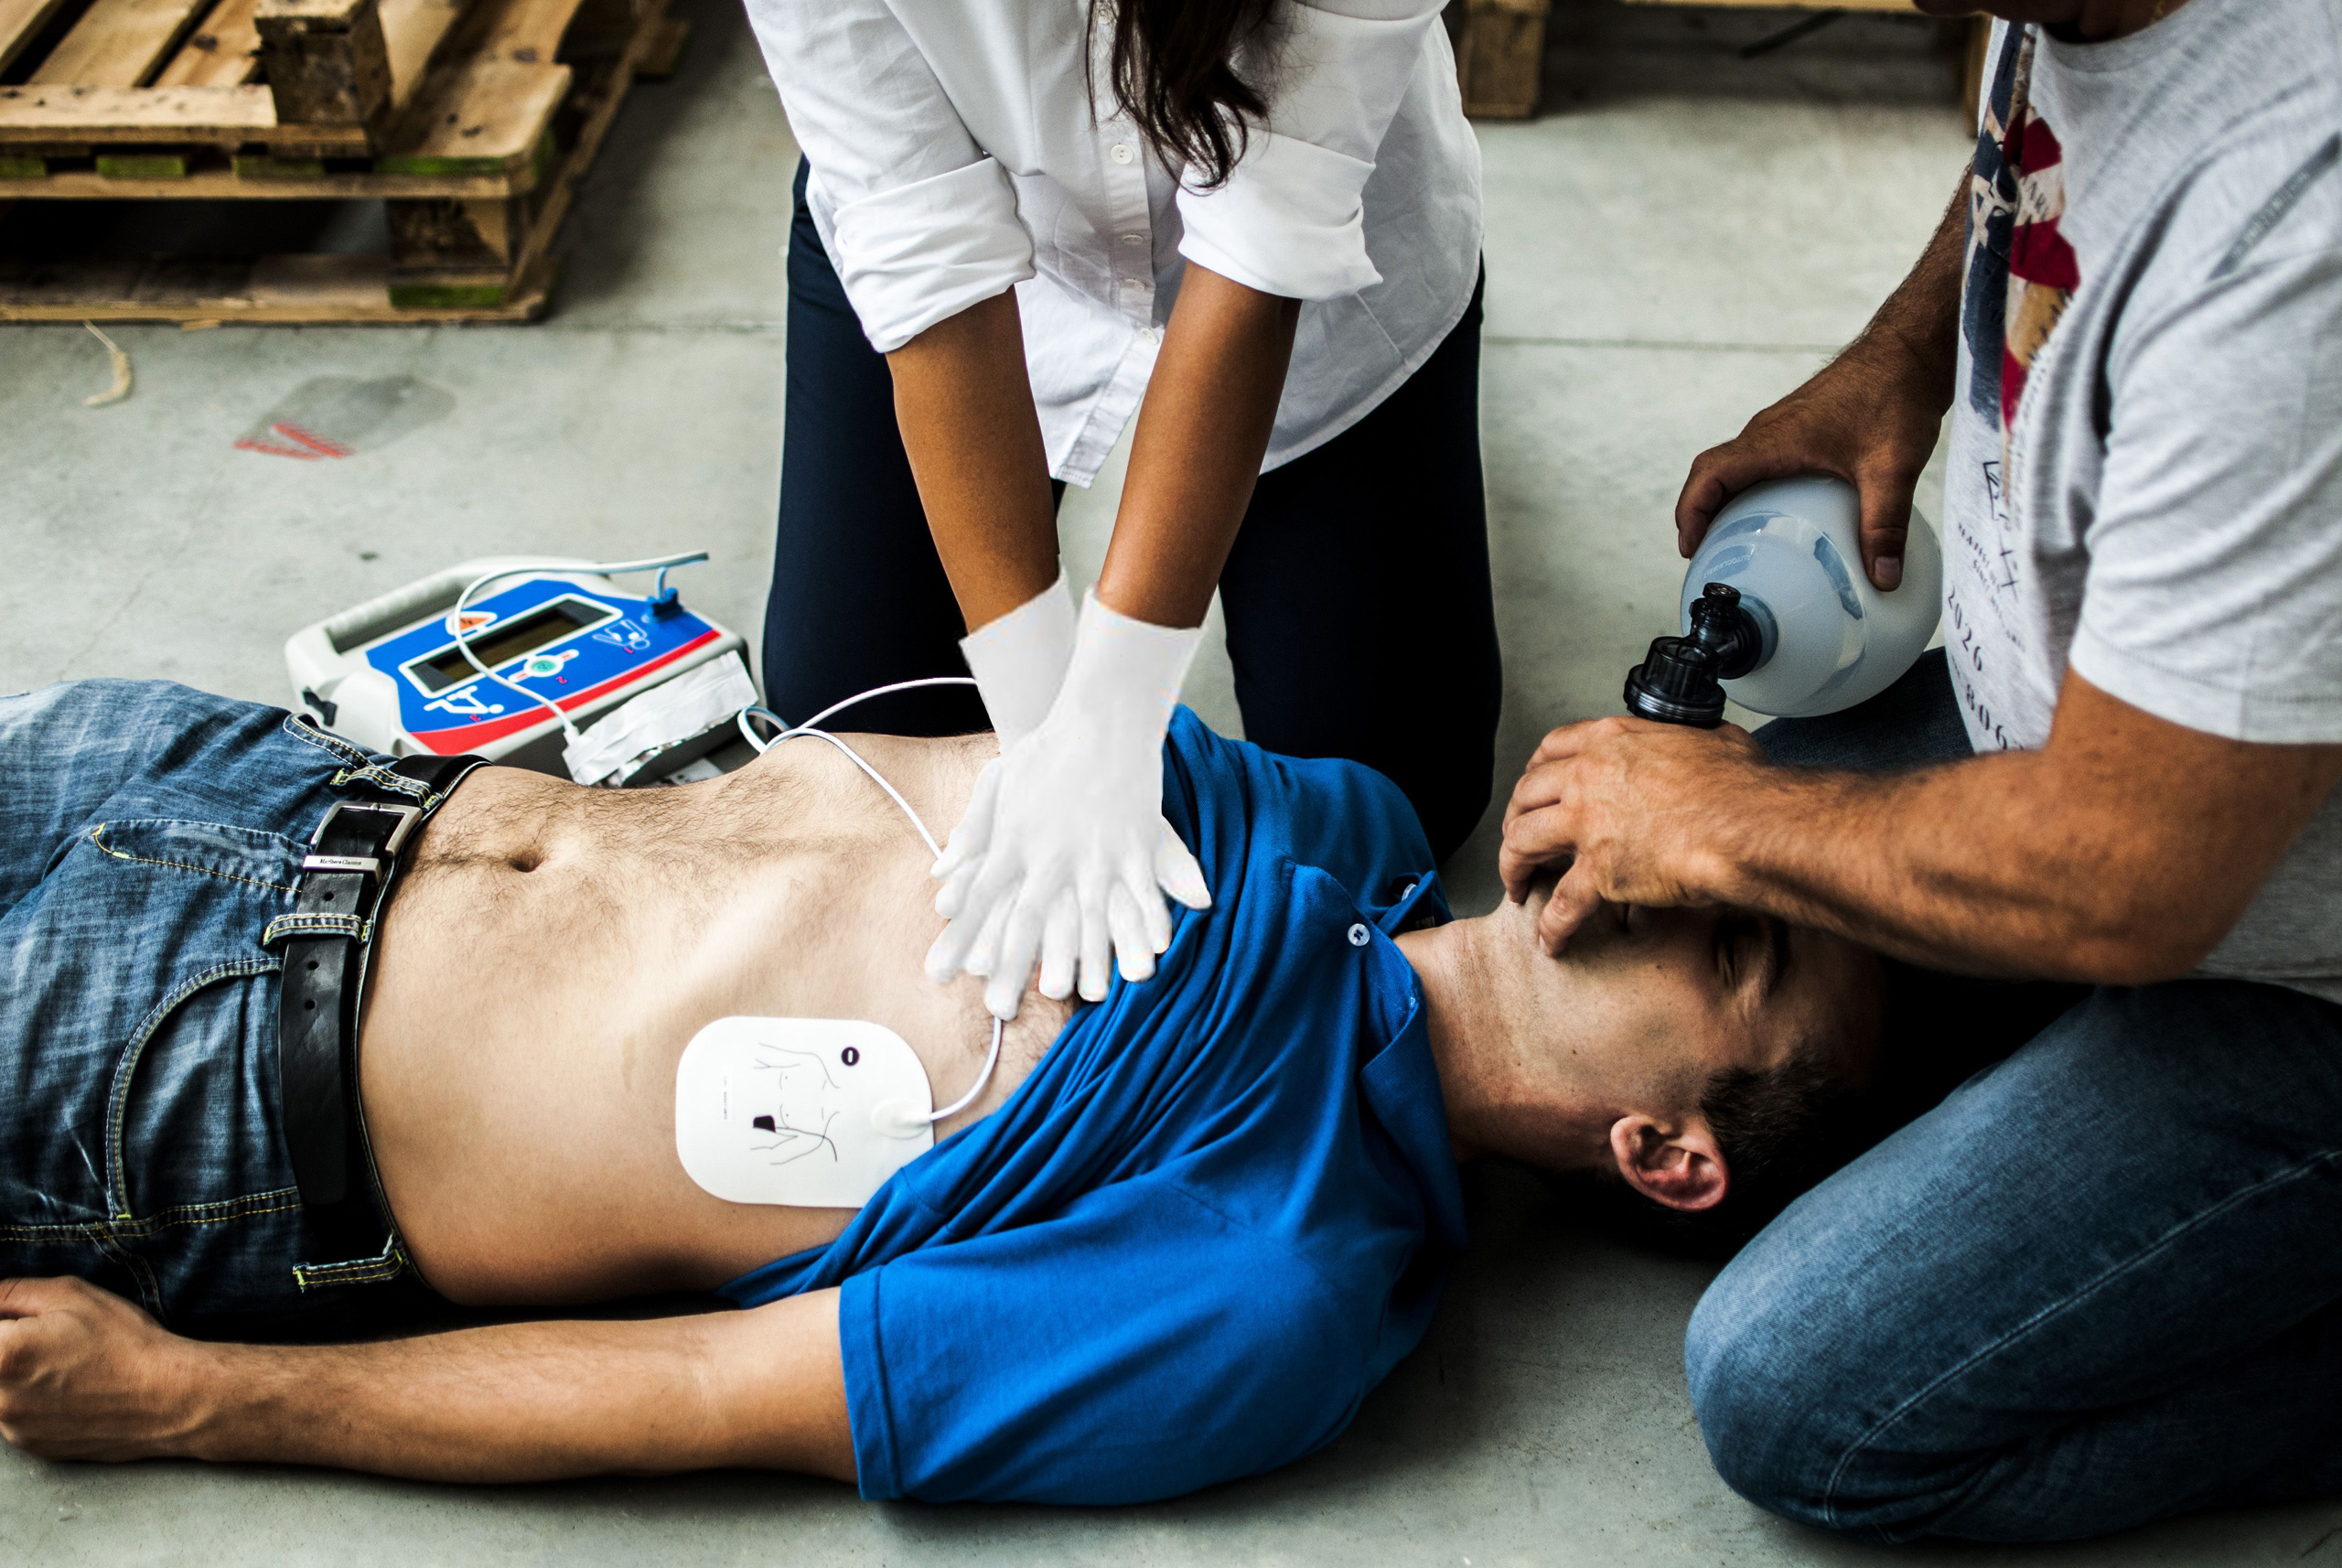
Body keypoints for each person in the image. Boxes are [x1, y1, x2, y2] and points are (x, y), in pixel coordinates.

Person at [0, 678, 1879, 1499]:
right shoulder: (1341, 814)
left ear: (1668, 1149)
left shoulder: (1275, 1278)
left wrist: (190, 1402)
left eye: (1744, 940)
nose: (1693, 861)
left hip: (188, 1088)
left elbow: (706, 1392)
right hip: (232, 774)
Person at [1494, 0, 2342, 1542]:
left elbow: (2133, 875)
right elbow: (2047, 147)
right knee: (1785, 806)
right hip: (2118, 744)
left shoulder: (2300, 238)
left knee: (1800, 1387)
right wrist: (1902, 355)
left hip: (2276, 956)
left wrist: (1730, 819)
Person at [745, 0, 1499, 1019]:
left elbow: (1257, 248)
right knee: (857, 739)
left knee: (1397, 801)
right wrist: (1040, 715)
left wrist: (1113, 712)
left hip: (1317, 272)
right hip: (957, 214)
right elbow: (923, 240)